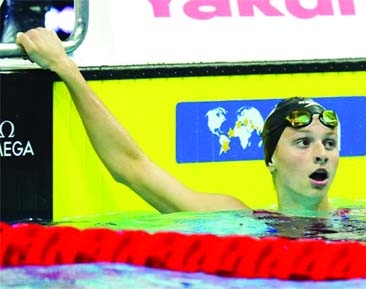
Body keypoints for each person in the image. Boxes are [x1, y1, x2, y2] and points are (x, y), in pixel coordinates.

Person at [15, 27, 340, 214]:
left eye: (329, 142)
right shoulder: (239, 223)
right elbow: (132, 168)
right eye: (303, 142)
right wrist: (66, 68)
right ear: (271, 159)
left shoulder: (365, 225)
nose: (321, 152)